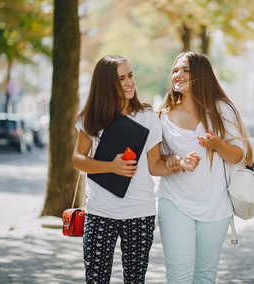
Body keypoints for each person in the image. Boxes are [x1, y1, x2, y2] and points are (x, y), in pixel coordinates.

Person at [72, 55, 199, 284]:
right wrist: (111, 166)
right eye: (121, 78)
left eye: (130, 75)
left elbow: (155, 166)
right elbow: (78, 159)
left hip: (139, 212)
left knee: (135, 280)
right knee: (95, 280)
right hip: (100, 211)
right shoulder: (92, 117)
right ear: (106, 84)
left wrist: (178, 164)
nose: (129, 82)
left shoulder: (148, 117)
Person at [157, 52, 254, 284]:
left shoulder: (221, 110)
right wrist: (171, 159)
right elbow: (156, 163)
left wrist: (218, 144)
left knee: (205, 277)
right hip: (174, 203)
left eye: (185, 70)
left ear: (201, 75)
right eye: (175, 70)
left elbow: (239, 155)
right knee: (179, 276)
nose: (177, 74)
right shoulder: (162, 115)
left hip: (215, 207)